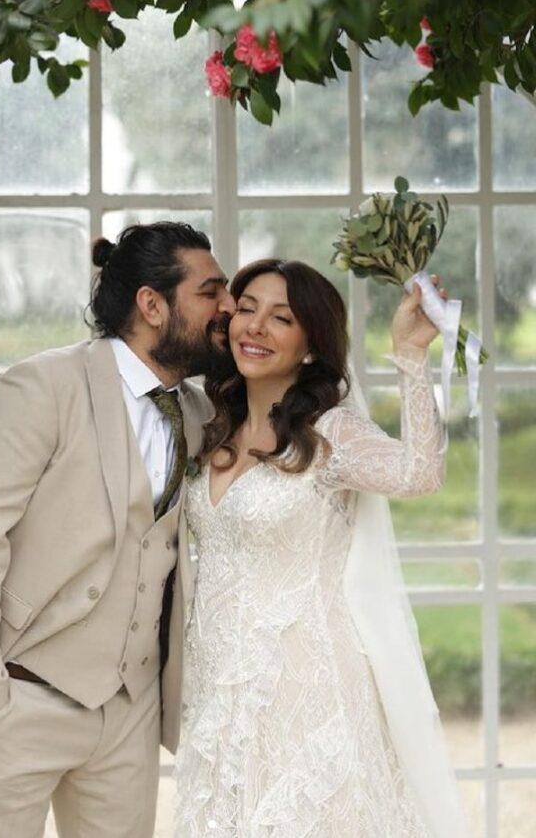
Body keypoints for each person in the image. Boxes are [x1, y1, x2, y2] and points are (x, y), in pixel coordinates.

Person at [0, 221, 235, 838]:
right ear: (152, 305)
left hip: (130, 709)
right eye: (210, 291)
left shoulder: (198, 414)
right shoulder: (43, 387)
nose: (227, 306)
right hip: (19, 696)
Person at [175, 258, 469, 837]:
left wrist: (411, 356)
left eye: (281, 318)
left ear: (310, 347)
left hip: (307, 691)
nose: (256, 327)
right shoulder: (211, 425)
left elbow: (418, 474)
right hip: (220, 693)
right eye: (248, 309)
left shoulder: (329, 434)